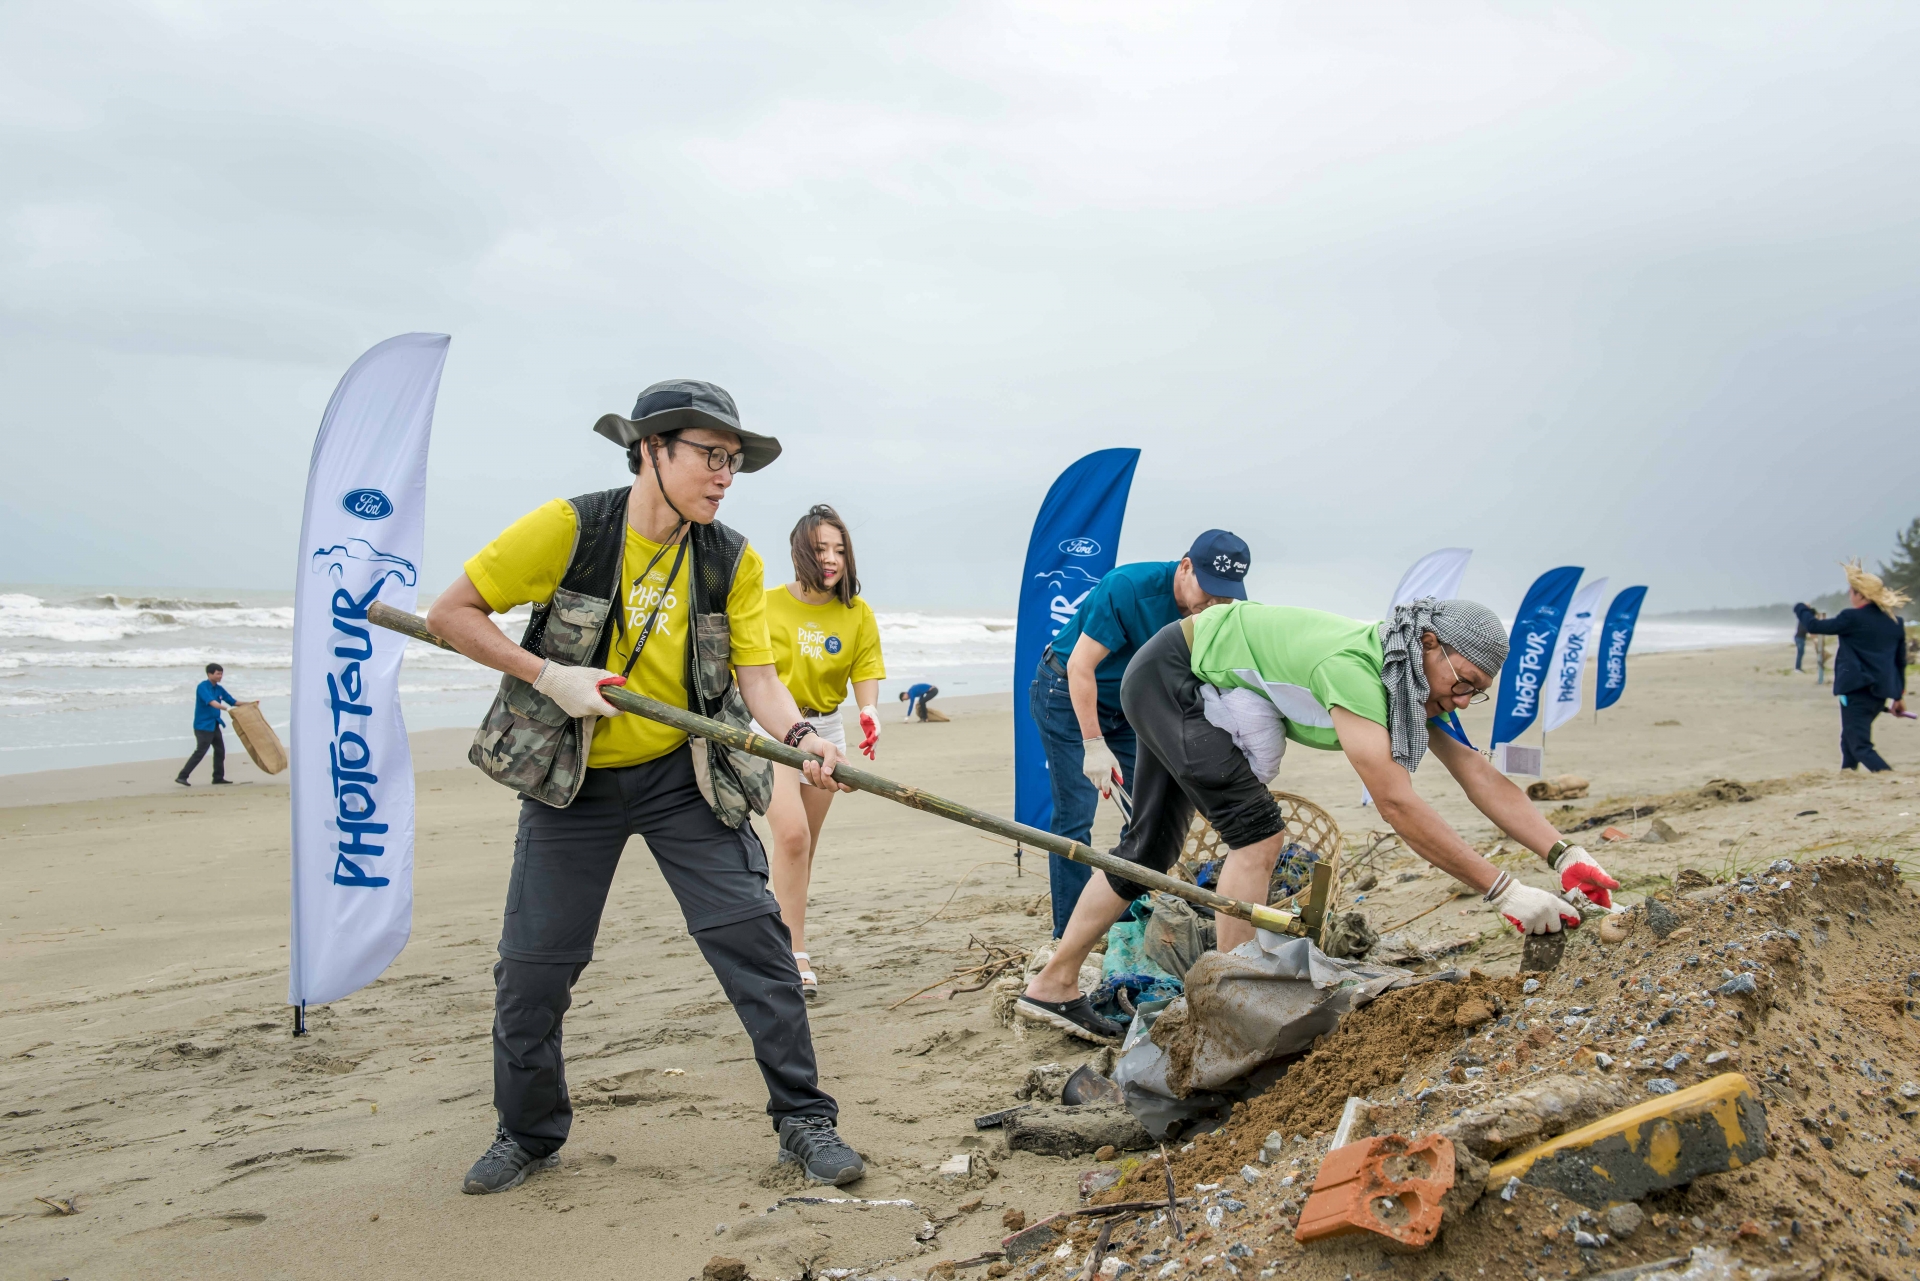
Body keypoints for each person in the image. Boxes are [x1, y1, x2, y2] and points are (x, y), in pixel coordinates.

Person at [425, 379, 866, 1195]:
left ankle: (805, 1119)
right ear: (651, 450)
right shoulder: (571, 529)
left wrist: (798, 736)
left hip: (682, 777)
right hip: (574, 783)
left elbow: (758, 678)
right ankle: (527, 1131)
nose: (724, 474)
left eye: (733, 461)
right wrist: (549, 673)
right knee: (532, 970)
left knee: (758, 947)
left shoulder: (731, 557)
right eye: (709, 455)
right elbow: (451, 613)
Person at [1016, 598, 1620, 1043]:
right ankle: (1232, 1010)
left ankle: (1053, 985)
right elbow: (1396, 803)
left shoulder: (1406, 679)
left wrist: (1565, 855)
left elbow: (1478, 773)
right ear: (1429, 642)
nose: (1463, 700)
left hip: (1179, 671)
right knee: (1258, 833)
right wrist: (1504, 890)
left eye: (1476, 692)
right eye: (1463, 682)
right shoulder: (1358, 670)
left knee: (1147, 847)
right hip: (1177, 673)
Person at [1029, 531, 1250, 936]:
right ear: (1185, 566)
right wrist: (1093, 745)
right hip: (1066, 692)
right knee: (1075, 818)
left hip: (1133, 703)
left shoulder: (1220, 610)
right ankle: (1068, 934)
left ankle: (1121, 920)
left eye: (1227, 596)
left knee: (1145, 816)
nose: (1214, 604)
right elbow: (1081, 667)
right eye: (1209, 591)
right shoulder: (1128, 587)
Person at [762, 503, 885, 1000]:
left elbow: (866, 667)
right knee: (790, 837)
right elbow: (754, 675)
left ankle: (781, 930)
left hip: (826, 727)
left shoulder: (856, 612)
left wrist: (869, 712)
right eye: (820, 549)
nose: (831, 559)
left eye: (839, 549)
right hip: (771, 726)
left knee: (804, 845)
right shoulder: (765, 602)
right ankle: (793, 952)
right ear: (799, 553)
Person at [1795, 563, 1909, 773]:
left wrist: (1801, 608)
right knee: (1849, 739)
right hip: (1880, 693)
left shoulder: (1852, 618)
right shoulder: (1895, 622)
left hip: (1856, 690)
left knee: (1860, 745)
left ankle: (1890, 779)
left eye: (1851, 591)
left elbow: (1815, 626)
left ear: (1861, 595)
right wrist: (1898, 695)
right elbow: (1900, 662)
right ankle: (1848, 775)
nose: (1849, 595)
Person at [175, 662, 238, 786]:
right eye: (218, 674)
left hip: (214, 724)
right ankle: (182, 776)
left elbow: (233, 701)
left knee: (220, 751)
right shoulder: (203, 687)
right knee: (201, 751)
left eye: (221, 674)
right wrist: (226, 709)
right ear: (209, 674)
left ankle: (218, 778)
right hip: (203, 726)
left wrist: (250, 704)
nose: (220, 676)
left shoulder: (219, 689)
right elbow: (212, 703)